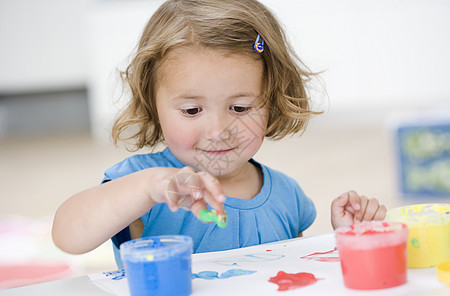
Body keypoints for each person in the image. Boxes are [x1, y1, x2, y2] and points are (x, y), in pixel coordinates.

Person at [52, 0, 386, 268]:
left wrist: (350, 241)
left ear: (273, 100)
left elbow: (296, 273)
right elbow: (67, 236)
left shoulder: (287, 195)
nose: (217, 131)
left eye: (240, 108)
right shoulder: (144, 185)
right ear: (153, 104)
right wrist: (149, 187)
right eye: (192, 111)